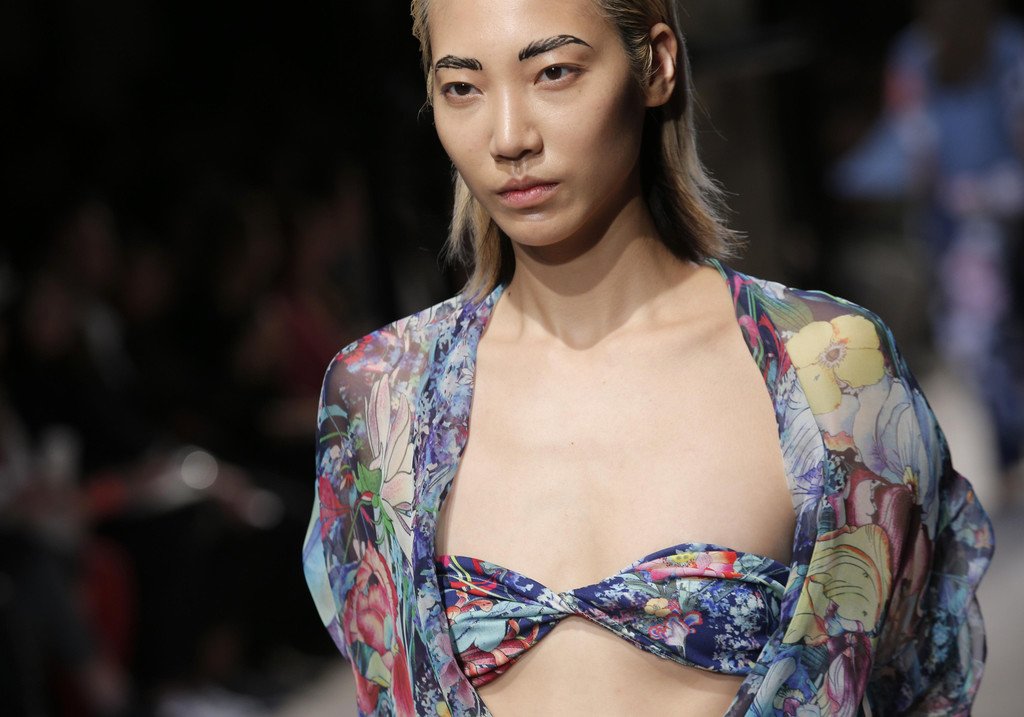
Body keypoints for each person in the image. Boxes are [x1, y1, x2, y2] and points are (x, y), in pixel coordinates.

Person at [303, 0, 993, 714]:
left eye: (554, 72)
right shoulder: (382, 394)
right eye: (462, 88)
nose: (508, 137)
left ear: (657, 64)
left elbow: (920, 679)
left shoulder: (830, 368)